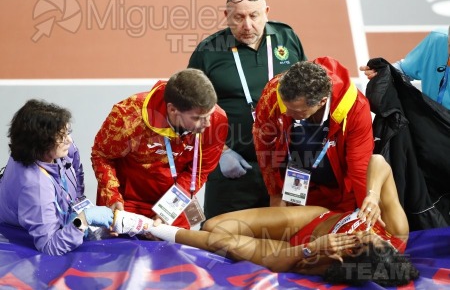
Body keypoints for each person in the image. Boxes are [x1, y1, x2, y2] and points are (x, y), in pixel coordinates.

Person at [112, 155, 419, 287]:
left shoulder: (336, 262)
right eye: (375, 237)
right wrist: (372, 195)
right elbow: (379, 162)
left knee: (219, 240)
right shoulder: (396, 231)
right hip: (313, 219)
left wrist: (312, 250)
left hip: (295, 252)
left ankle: (148, 227)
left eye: (362, 239)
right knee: (212, 223)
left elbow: (285, 264)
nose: (367, 231)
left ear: (351, 253)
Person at [188, 0, 307, 220]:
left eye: (254, 16)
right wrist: (220, 152)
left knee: (287, 237)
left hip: (286, 164)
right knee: (222, 241)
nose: (247, 25)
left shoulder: (287, 38)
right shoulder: (208, 51)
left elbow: (309, 90)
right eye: (239, 18)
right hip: (234, 169)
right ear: (226, 15)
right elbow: (190, 110)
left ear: (267, 13)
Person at [91, 68, 228, 229]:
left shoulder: (218, 120)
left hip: (176, 200)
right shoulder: (128, 116)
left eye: (209, 115)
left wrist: (168, 210)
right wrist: (112, 196)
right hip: (127, 201)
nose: (208, 124)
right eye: (198, 118)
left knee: (176, 253)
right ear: (172, 110)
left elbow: (199, 171)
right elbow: (102, 155)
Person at [253, 57, 374, 210]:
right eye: (285, 106)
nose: (285, 112)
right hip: (293, 186)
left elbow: (359, 167)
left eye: (296, 111)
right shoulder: (275, 92)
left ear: (322, 102)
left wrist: (366, 213)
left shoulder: (355, 109)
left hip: (339, 191)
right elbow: (263, 143)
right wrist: (275, 192)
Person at [0, 99, 113, 256]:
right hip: (17, 231)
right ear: (40, 144)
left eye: (67, 132)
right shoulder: (35, 186)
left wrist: (78, 203)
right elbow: (50, 246)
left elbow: (76, 172)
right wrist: (82, 220)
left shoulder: (61, 150)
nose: (69, 140)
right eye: (61, 137)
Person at [360, 26, 450, 109]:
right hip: (432, 118)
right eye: (449, 45)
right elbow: (404, 70)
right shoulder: (438, 40)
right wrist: (384, 71)